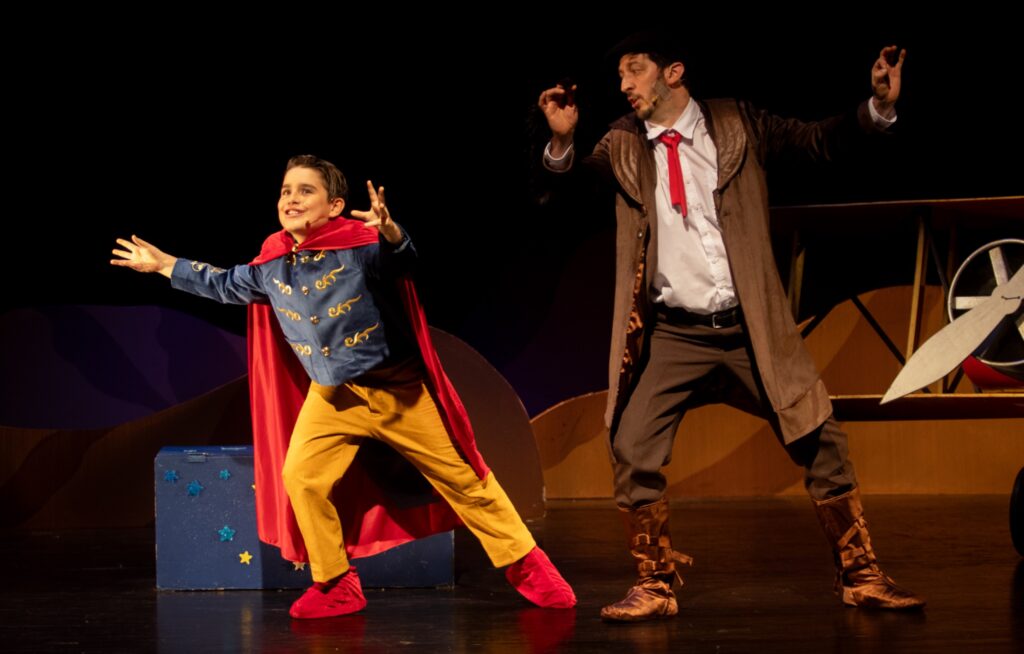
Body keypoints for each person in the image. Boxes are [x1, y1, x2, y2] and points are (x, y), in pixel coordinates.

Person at [536, 32, 922, 621]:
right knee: (632, 447)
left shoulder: (737, 125)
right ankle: (655, 585)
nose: (625, 85)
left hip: (750, 330)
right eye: (619, 75)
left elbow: (817, 142)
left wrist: (877, 108)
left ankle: (861, 575)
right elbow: (566, 197)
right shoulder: (623, 144)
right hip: (674, 335)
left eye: (635, 70)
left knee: (820, 436)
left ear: (672, 72)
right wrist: (562, 141)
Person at [112, 154, 575, 618]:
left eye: (305, 190)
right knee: (301, 477)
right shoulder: (272, 260)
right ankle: (336, 582)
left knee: (464, 480)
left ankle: (528, 567)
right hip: (332, 398)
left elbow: (401, 260)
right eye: (286, 191)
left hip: (398, 394)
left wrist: (389, 231)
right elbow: (224, 283)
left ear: (334, 205)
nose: (291, 199)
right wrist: (165, 265)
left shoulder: (360, 247)